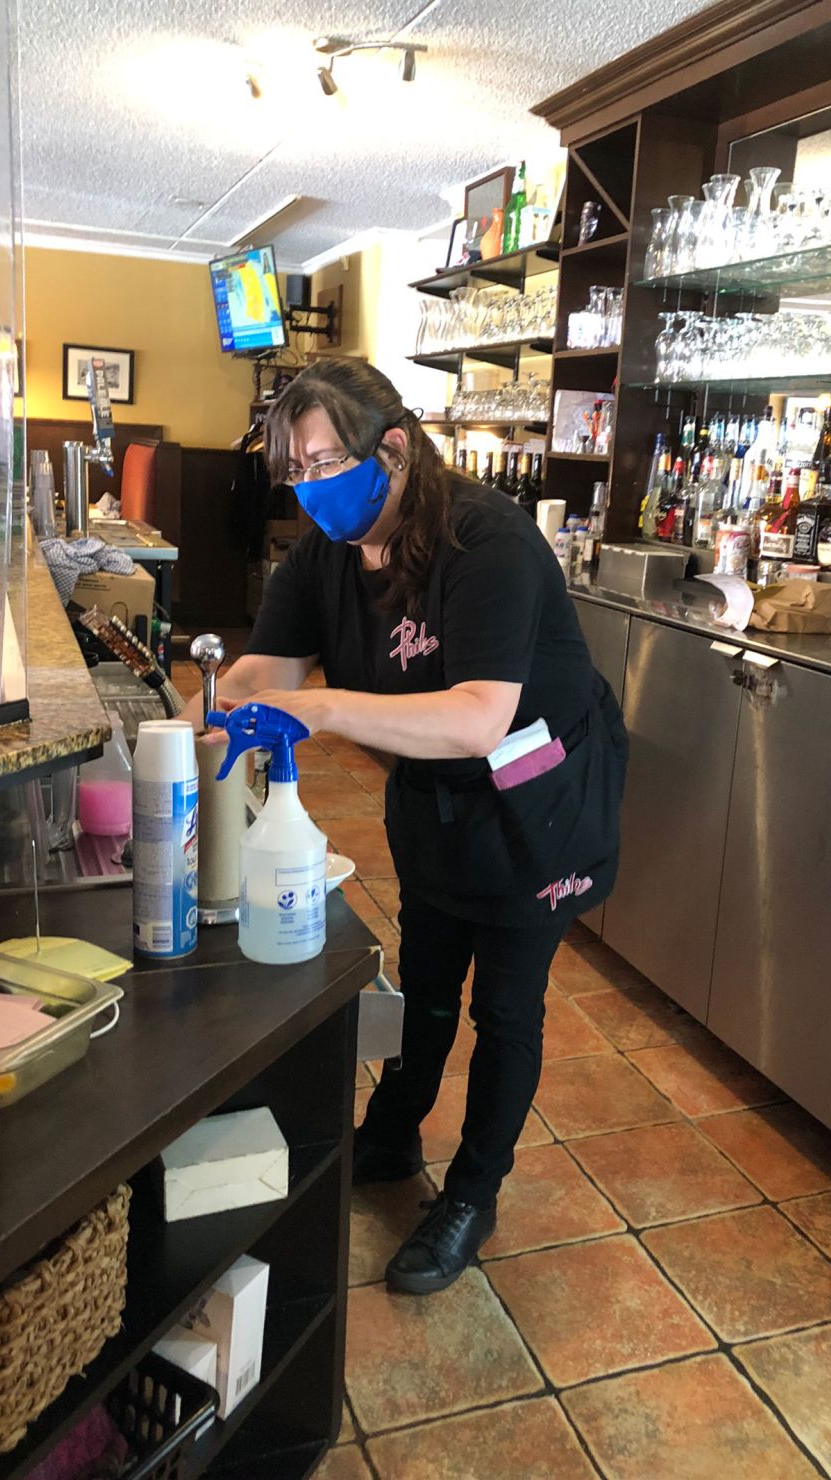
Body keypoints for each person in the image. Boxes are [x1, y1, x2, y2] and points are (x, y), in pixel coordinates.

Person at [192, 359, 627, 1295]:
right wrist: (194, 710)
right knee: (425, 973)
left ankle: (473, 1192)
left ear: (393, 446)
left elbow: (478, 716)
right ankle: (393, 1130)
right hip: (435, 803)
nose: (310, 490)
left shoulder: (487, 541)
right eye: (295, 472)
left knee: (505, 1007)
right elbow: (265, 667)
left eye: (324, 463)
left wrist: (328, 708)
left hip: (536, 800)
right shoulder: (324, 560)